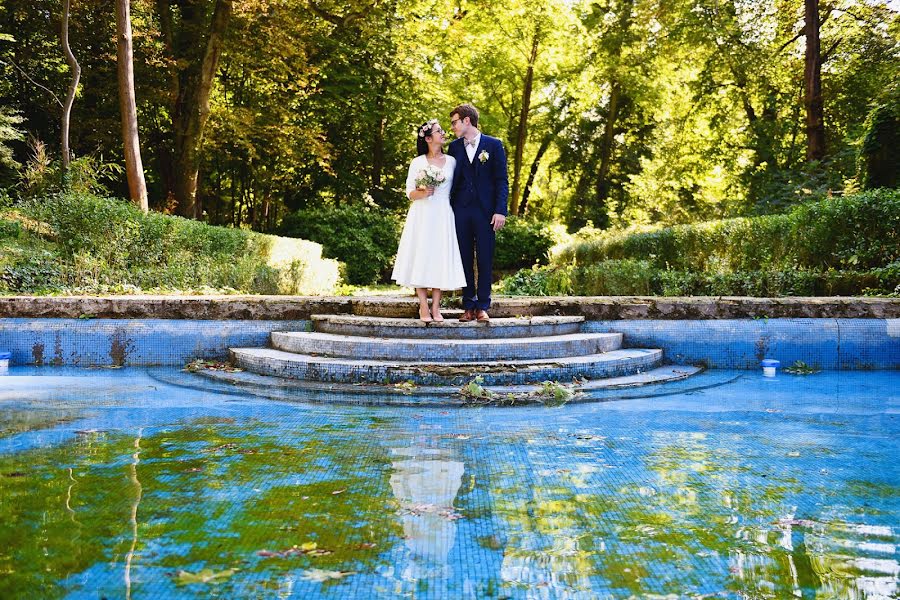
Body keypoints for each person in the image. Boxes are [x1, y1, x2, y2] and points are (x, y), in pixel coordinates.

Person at [391, 119, 467, 322]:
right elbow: (409, 192)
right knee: (421, 257)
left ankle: (436, 307)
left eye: (443, 130)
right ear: (427, 138)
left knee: (439, 258)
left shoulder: (452, 161)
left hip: (443, 214)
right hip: (422, 215)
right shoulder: (417, 163)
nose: (443, 133)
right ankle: (423, 307)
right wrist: (422, 192)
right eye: (438, 131)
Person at [447, 103, 509, 323]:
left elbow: (501, 180)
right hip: (460, 211)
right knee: (463, 258)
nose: (452, 127)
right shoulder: (454, 148)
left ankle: (483, 305)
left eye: (454, 122)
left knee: (485, 258)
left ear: (467, 121)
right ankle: (468, 305)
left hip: (486, 212)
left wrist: (500, 210)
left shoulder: (493, 145)